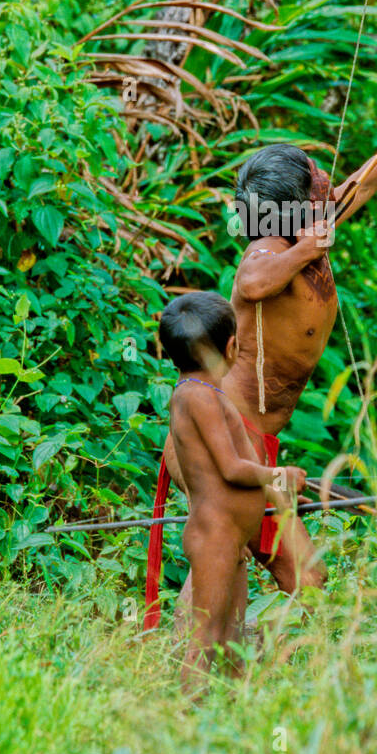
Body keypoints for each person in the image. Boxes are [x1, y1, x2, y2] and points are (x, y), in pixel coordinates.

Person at [157, 80, 377, 608]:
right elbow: (251, 281)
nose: (327, 180)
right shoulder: (271, 247)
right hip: (227, 440)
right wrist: (305, 250)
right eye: (316, 177)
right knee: (304, 581)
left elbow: (364, 181)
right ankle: (210, 675)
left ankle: (202, 674)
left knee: (229, 563)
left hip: (251, 441)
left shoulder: (309, 225)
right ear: (296, 205)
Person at [155, 291, 306, 688]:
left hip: (230, 538)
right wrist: (280, 476)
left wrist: (280, 496)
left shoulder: (206, 394)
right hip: (215, 537)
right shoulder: (197, 396)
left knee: (231, 639)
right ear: (231, 345)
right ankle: (187, 722)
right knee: (205, 639)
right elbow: (231, 468)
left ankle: (227, 720)